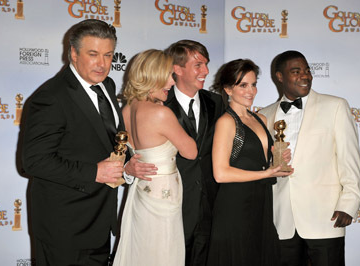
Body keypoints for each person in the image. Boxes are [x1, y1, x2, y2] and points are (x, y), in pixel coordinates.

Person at [21, 19, 154, 265]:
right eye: (93, 54)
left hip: (100, 221)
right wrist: (95, 172)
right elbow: (34, 162)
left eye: (108, 55)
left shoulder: (108, 85)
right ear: (73, 53)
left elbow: (108, 140)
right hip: (64, 227)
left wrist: (126, 165)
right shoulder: (51, 97)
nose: (102, 64)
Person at [259, 50, 360, 266]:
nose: (305, 76)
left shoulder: (335, 106)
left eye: (307, 71)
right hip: (281, 219)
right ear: (280, 77)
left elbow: (349, 158)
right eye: (296, 72)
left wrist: (349, 202)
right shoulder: (264, 115)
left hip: (326, 217)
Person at [113, 49, 197, 265]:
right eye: (168, 74)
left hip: (142, 193)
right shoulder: (161, 114)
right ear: (153, 76)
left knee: (142, 252)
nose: (172, 80)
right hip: (163, 196)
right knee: (163, 254)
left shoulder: (126, 110)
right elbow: (191, 151)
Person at [206, 59, 293, 266]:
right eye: (243, 85)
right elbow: (221, 173)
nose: (251, 91)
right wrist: (265, 174)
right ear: (228, 89)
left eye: (253, 84)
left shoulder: (261, 119)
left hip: (261, 202)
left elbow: (256, 162)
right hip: (235, 207)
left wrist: (277, 162)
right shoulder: (226, 122)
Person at [164, 40, 225, 266]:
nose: (206, 71)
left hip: (210, 203)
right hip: (171, 202)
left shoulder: (216, 102)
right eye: (198, 65)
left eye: (206, 64)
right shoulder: (159, 103)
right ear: (177, 69)